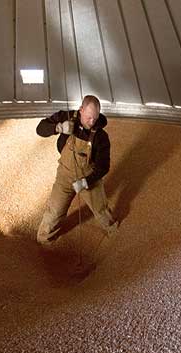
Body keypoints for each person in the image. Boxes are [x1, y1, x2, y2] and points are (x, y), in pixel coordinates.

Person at [36, 95, 117, 245]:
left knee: (101, 210)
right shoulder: (66, 117)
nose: (92, 122)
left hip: (88, 176)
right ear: (81, 110)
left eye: (95, 118)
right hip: (65, 174)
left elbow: (103, 167)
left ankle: (116, 235)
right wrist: (58, 127)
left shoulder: (101, 137)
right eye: (88, 118)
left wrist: (86, 182)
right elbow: (40, 128)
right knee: (54, 211)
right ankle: (43, 242)